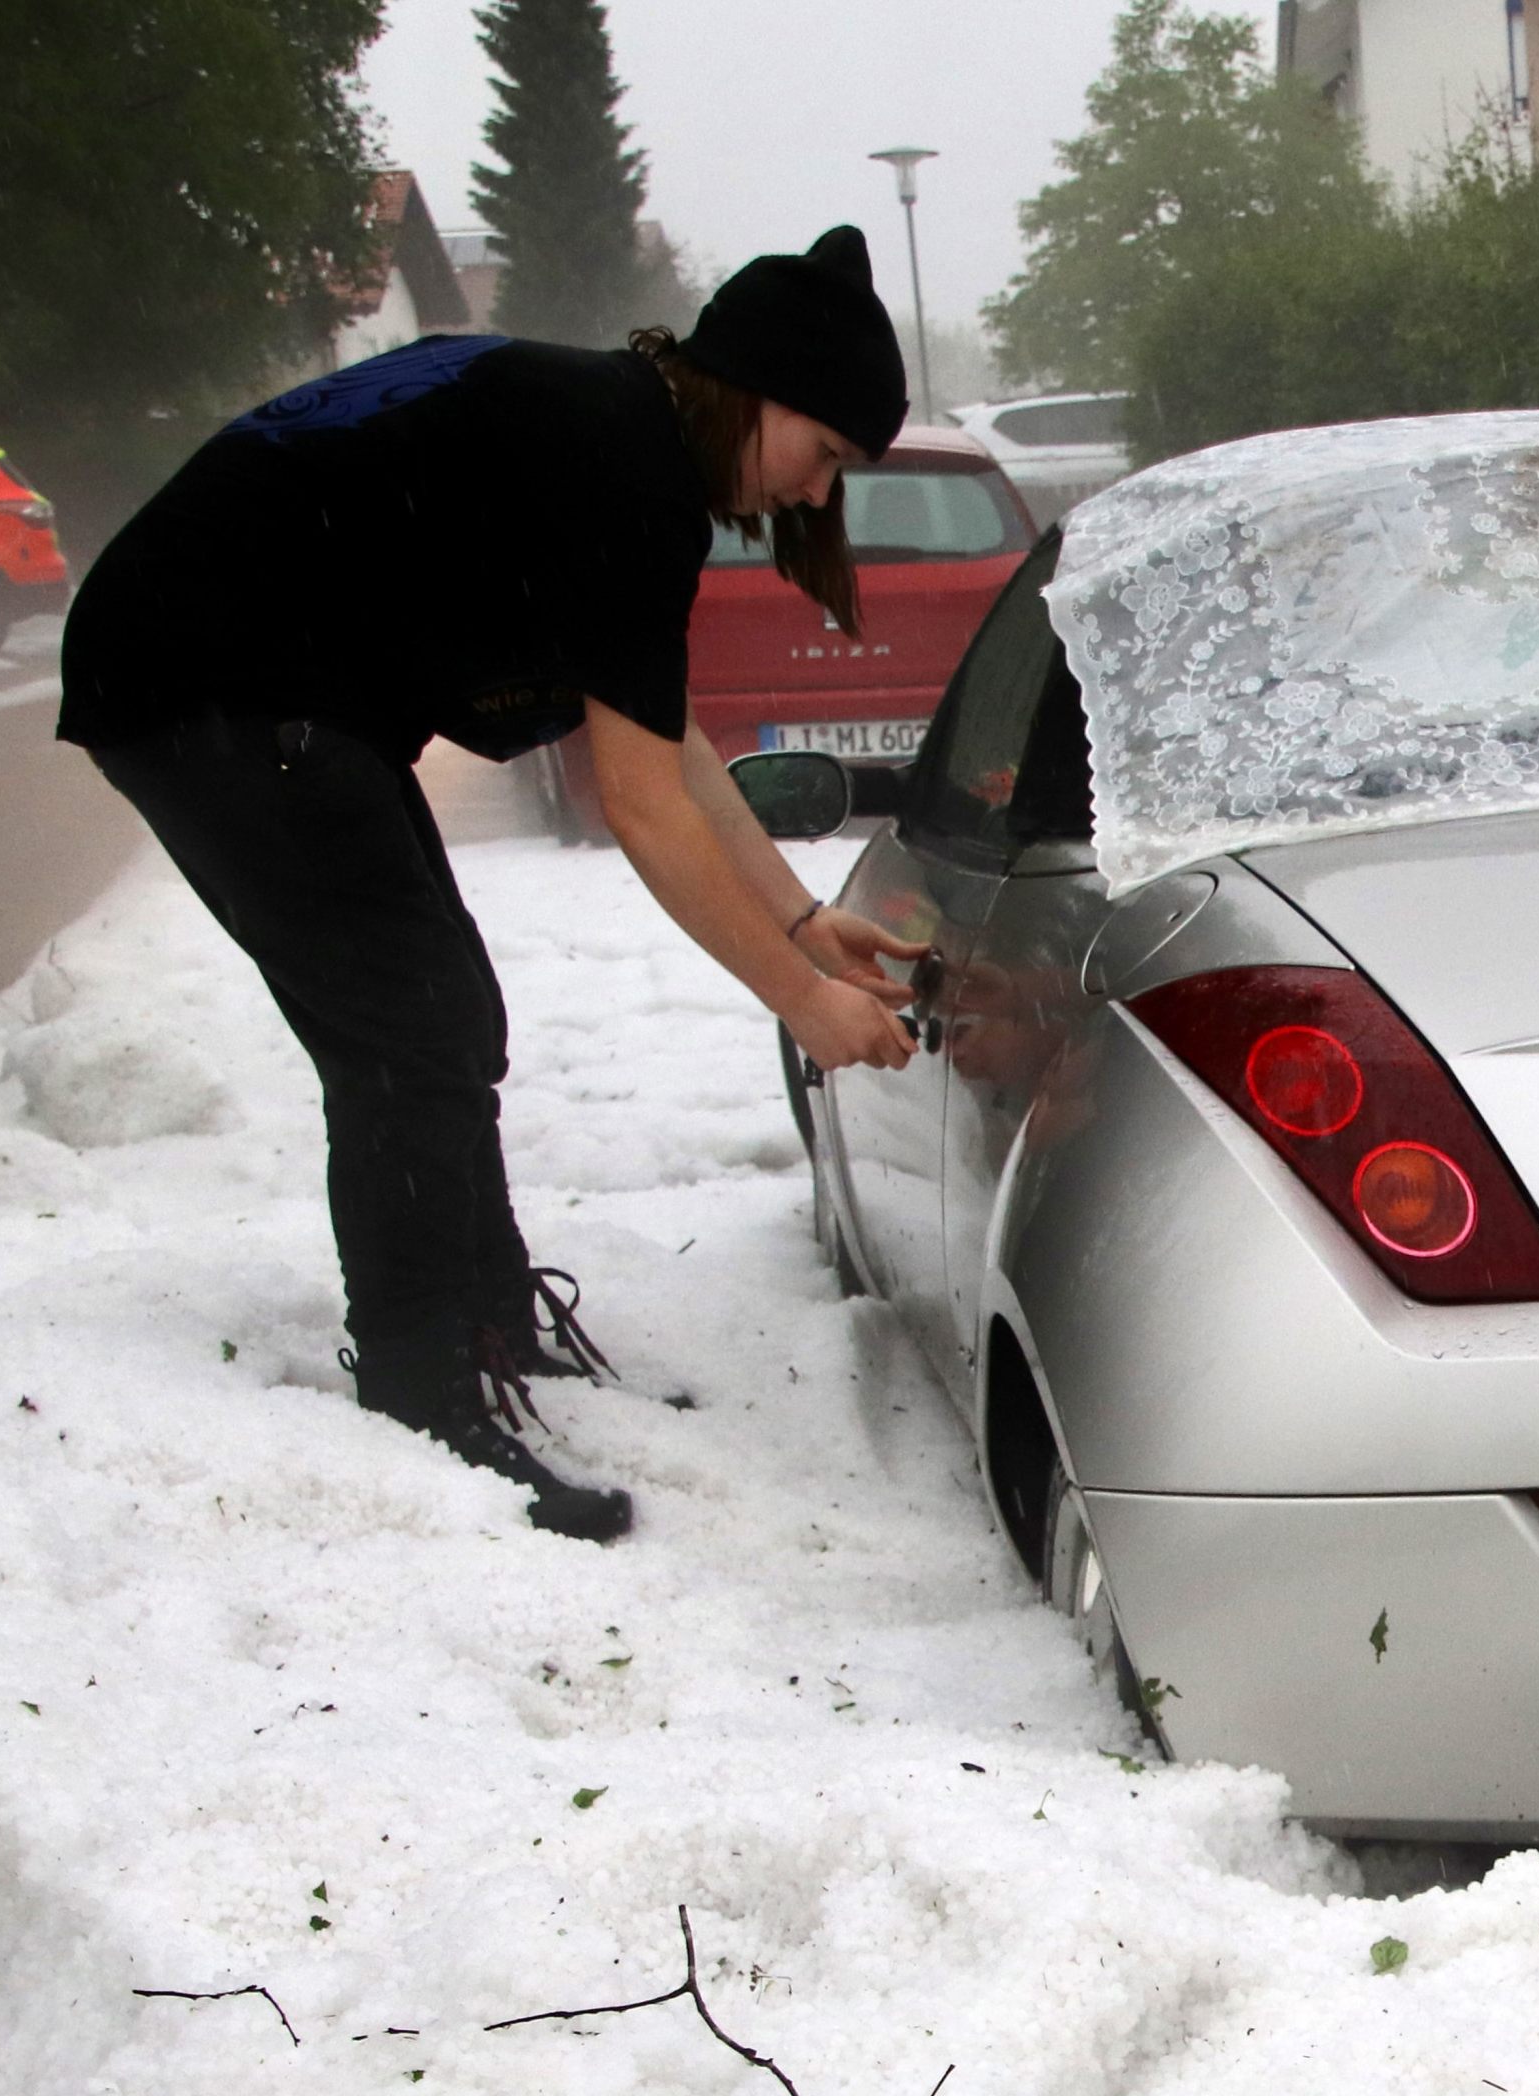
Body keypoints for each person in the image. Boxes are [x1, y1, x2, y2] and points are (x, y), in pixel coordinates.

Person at [59, 227, 926, 1543]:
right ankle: (423, 1400)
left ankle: (487, 1328)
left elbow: (666, 742)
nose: (815, 498)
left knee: (447, 1016)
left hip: (275, 686)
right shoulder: (627, 464)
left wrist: (802, 920)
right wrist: (799, 998)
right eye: (826, 458)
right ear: (763, 392)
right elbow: (638, 807)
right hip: (207, 681)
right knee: (406, 1033)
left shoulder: (617, 429)